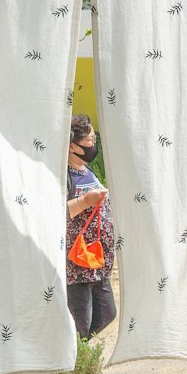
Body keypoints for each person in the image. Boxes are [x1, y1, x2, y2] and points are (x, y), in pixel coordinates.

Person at [65, 114, 116, 339]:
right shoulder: (64, 175)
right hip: (77, 264)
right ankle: (76, 360)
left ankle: (80, 351)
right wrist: (86, 201)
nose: (93, 147)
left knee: (107, 313)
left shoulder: (87, 170)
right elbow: (57, 213)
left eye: (94, 141)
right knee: (81, 323)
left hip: (97, 260)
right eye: (88, 143)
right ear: (71, 146)